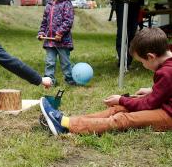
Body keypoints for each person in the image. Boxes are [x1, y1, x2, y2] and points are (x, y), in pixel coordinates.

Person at [39, 27, 172, 135]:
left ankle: (64, 125)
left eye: (142, 62)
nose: (143, 65)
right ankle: (68, 120)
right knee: (121, 108)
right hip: (165, 105)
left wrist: (121, 99)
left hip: (168, 115)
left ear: (150, 57)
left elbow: (149, 104)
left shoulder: (165, 72)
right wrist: (152, 90)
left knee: (123, 119)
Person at [107, 0, 150, 68]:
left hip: (136, 0)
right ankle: (122, 60)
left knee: (132, 31)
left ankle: (128, 60)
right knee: (123, 30)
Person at [38, 0, 76, 86]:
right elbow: (44, 22)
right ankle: (49, 81)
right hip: (50, 41)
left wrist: (60, 32)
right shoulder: (49, 5)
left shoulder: (66, 4)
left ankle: (70, 79)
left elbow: (68, 21)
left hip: (62, 41)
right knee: (50, 62)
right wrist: (41, 33)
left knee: (65, 62)